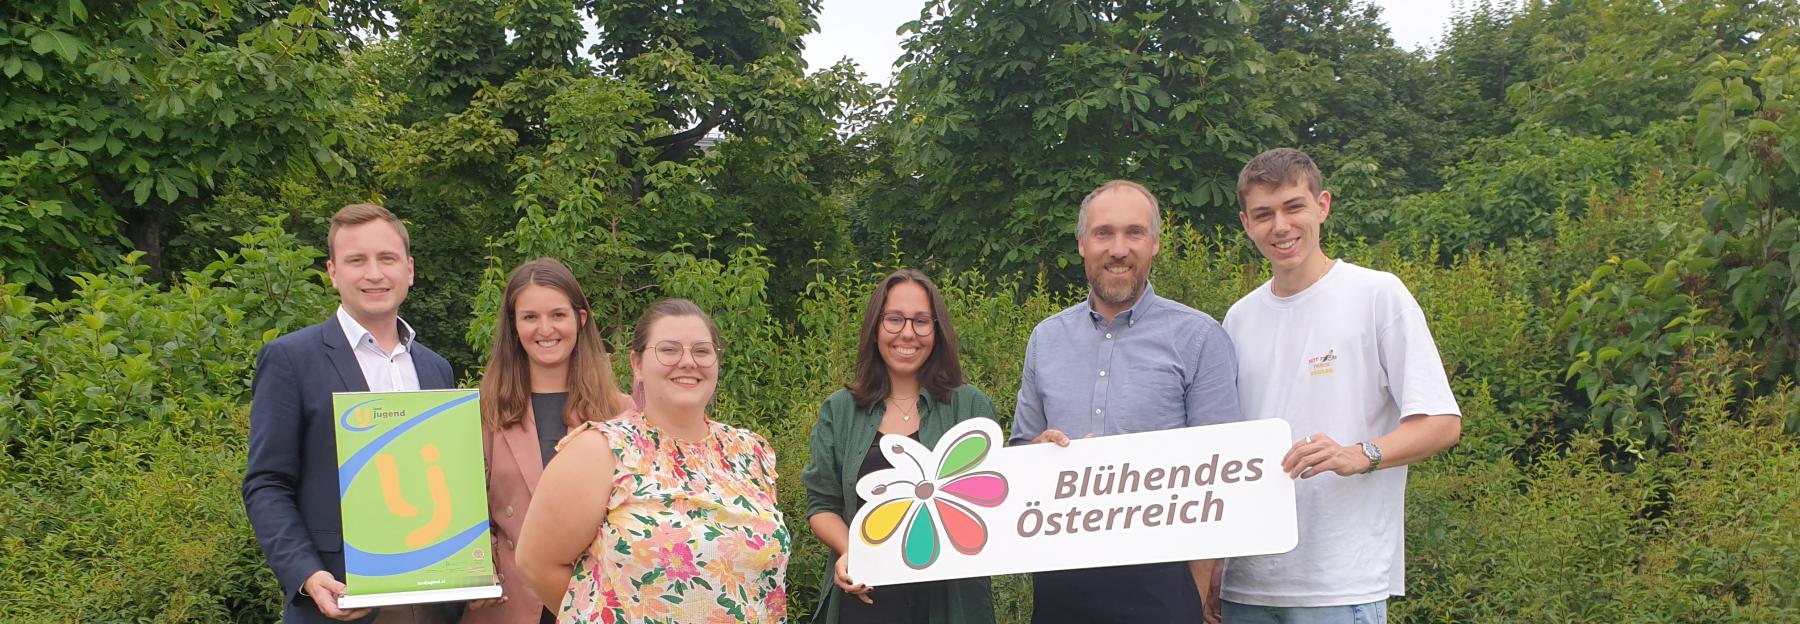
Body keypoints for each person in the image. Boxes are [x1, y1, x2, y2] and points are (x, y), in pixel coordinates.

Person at [1220, 148, 1462, 624]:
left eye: (1294, 207)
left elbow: (1442, 422)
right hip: (1245, 581)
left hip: (1339, 582)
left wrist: (1362, 454)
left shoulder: (1377, 295)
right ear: (1246, 223)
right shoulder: (1238, 317)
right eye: (1264, 214)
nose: (1281, 226)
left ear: (1322, 206)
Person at [1009, 180, 1243, 624]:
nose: (1118, 248)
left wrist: (1195, 595)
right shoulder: (1046, 339)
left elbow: (1222, 475)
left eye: (1134, 233)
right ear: (1082, 244)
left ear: (1154, 244)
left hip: (1164, 585)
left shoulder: (1200, 338)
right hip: (1062, 581)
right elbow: (1020, 455)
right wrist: (1034, 455)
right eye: (1103, 233)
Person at [242, 203, 459, 623]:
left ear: (409, 270)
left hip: (435, 600)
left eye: (387, 258)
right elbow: (267, 483)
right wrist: (306, 573)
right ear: (333, 272)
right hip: (342, 599)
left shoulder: (436, 368)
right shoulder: (290, 359)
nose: (374, 273)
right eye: (356, 260)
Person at [514, 298, 789, 622]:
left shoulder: (749, 452)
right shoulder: (600, 451)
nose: (687, 362)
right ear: (637, 364)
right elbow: (537, 563)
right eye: (669, 350)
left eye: (702, 351)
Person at [802, 269, 999, 624]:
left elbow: (996, 498)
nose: (908, 332)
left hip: (950, 605)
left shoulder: (970, 407)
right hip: (864, 602)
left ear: (937, 332)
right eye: (894, 319)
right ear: (875, 328)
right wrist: (852, 552)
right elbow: (822, 504)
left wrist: (1044, 454)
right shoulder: (841, 410)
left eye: (922, 321)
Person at [465, 258, 634, 624]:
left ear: (581, 319)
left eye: (558, 315)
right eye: (529, 317)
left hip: (595, 601)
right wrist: (477, 565)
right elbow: (460, 508)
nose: (545, 329)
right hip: (506, 604)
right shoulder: (481, 411)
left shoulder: (622, 412)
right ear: (513, 325)